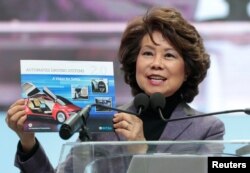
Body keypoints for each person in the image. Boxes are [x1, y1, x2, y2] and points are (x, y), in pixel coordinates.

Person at [6, 7, 225, 173]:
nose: (156, 63)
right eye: (148, 53)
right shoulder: (103, 121)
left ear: (187, 70)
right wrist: (28, 143)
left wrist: (142, 152)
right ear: (135, 61)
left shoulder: (207, 129)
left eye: (169, 55)